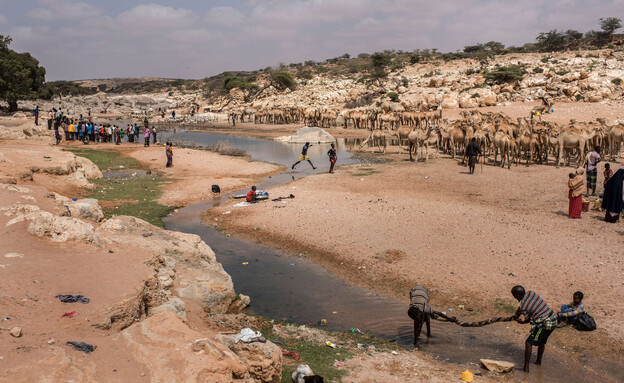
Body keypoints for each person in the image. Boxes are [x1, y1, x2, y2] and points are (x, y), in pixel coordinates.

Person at [511, 285, 557, 372]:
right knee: (541, 341)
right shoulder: (531, 293)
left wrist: (521, 321)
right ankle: (538, 362)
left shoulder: (524, 306)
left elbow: (527, 319)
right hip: (553, 320)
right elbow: (521, 309)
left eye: (514, 295)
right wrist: (517, 313)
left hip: (545, 324)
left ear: (517, 295)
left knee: (528, 342)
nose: (514, 297)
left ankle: (526, 368)